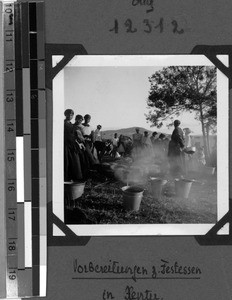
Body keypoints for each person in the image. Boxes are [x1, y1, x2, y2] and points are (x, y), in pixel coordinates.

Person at [64, 109, 85, 181]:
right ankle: (66, 179)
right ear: (65, 114)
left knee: (76, 161)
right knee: (66, 162)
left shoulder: (72, 125)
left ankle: (76, 178)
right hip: (65, 146)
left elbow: (76, 136)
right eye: (68, 114)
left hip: (73, 145)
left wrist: (79, 144)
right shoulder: (62, 124)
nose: (70, 116)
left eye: (71, 115)